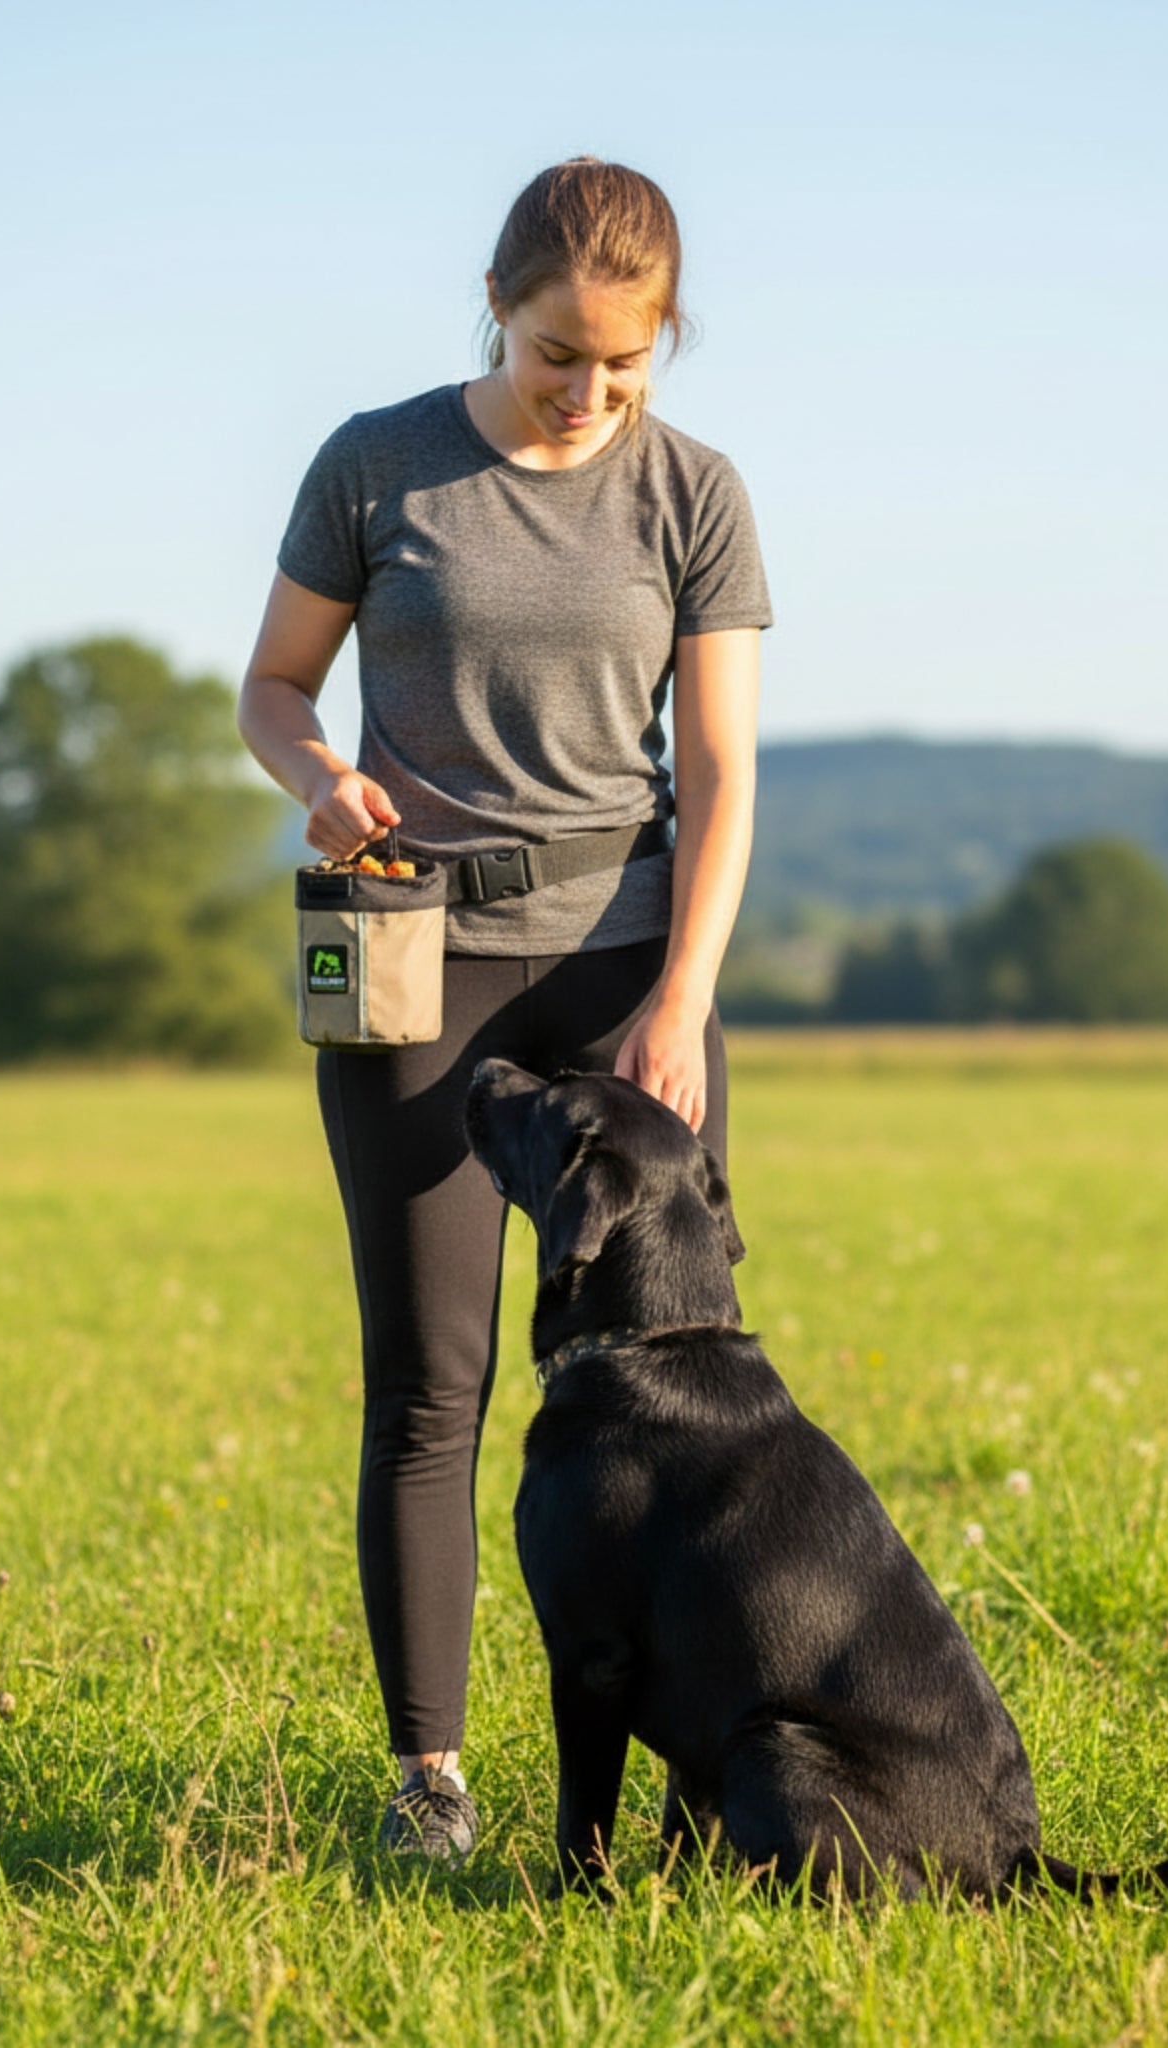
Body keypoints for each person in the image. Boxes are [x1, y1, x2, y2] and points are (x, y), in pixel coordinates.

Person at [237, 157, 770, 1860]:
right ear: (500, 308)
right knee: (432, 1385)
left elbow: (722, 768)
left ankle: (702, 1783)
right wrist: (317, 773)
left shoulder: (694, 493)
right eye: (559, 355)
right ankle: (431, 1785)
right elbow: (270, 686)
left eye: (627, 363)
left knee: (683, 1381)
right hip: (415, 965)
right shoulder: (377, 464)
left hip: (629, 976)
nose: (588, 394)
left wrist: (682, 997)